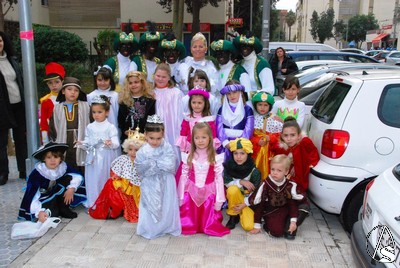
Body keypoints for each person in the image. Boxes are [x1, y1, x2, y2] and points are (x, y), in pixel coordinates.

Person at [177, 123, 230, 236]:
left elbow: (219, 179)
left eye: (204, 137)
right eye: (197, 138)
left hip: (209, 192)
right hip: (191, 191)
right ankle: (191, 224)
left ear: (210, 138)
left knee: (208, 209)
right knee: (189, 207)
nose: (200, 141)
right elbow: (183, 176)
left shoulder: (215, 157)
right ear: (193, 139)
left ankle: (207, 224)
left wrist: (219, 200)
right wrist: (180, 197)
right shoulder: (189, 155)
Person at [134, 115, 181, 239]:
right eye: (151, 138)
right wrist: (156, 164)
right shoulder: (143, 151)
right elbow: (140, 168)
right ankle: (150, 228)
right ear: (145, 135)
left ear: (163, 134)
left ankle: (167, 225)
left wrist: (153, 163)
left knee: (166, 203)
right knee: (149, 204)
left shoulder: (167, 147)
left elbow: (171, 164)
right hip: (150, 182)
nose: (155, 142)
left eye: (158, 138)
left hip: (166, 180)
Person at [269, 117, 320, 227]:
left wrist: (309, 164)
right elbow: (274, 153)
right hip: (286, 178)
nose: (289, 139)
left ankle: (303, 207)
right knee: (284, 195)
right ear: (282, 136)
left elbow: (313, 152)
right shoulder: (281, 147)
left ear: (299, 135)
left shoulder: (304, 142)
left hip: (298, 177)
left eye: (292, 135)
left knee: (298, 192)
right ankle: (289, 215)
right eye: (286, 136)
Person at [18, 142, 86, 222]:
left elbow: (77, 176)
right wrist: (38, 212)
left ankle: (63, 208)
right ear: (44, 159)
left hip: (58, 193)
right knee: (52, 212)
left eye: (56, 157)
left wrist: (71, 188)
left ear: (60, 158)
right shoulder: (37, 173)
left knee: (68, 178)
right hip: (44, 197)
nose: (52, 160)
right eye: (49, 157)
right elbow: (33, 194)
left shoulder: (63, 167)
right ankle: (50, 211)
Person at [88, 127, 145, 222]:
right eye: (130, 149)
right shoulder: (123, 159)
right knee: (111, 183)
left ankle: (131, 209)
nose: (133, 153)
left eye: (136, 150)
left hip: (137, 188)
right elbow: (116, 171)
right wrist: (116, 176)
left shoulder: (143, 161)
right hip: (124, 185)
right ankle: (114, 209)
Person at [247, 154, 305, 239]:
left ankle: (291, 224)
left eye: (279, 170)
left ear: (286, 172)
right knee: (277, 233)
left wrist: (293, 221)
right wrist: (257, 225)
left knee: (298, 210)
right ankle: (267, 226)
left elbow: (292, 204)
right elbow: (260, 205)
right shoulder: (266, 185)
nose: (274, 173)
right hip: (270, 211)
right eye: (272, 169)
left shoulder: (289, 185)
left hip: (284, 210)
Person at [78, 95, 120, 208]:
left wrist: (110, 143)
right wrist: (81, 143)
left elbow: (116, 142)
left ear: (107, 112)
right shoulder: (90, 127)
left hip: (106, 157)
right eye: (94, 112)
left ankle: (106, 203)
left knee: (104, 178)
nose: (96, 115)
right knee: (92, 179)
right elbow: (88, 141)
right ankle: (93, 203)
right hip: (92, 157)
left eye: (99, 112)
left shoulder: (110, 127)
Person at [0, 31, 28, 185]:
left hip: (18, 105)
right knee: (1, 141)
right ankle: (3, 173)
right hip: (2, 108)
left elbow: (20, 81)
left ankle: (24, 169)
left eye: (0, 41)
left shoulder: (12, 60)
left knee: (21, 138)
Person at [49, 77, 90, 174]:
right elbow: (53, 128)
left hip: (81, 141)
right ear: (63, 91)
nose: (73, 92)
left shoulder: (86, 106)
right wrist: (56, 144)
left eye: (76, 90)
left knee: (81, 167)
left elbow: (91, 124)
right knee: (66, 167)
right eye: (69, 89)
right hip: (64, 142)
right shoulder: (57, 108)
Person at [223, 138, 261, 231]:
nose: (238, 157)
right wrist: (241, 181)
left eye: (242, 153)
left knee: (249, 226)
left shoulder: (254, 171)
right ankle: (233, 216)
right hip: (235, 198)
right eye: (235, 153)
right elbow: (227, 183)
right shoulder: (229, 166)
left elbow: (256, 193)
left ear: (248, 154)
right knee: (232, 189)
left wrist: (244, 204)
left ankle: (240, 212)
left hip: (247, 203)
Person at [153, 63, 184, 167]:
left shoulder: (176, 93)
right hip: (155, 128)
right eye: (158, 76)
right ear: (154, 75)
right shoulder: (150, 92)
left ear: (169, 78)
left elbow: (180, 114)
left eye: (164, 77)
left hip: (172, 129)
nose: (160, 79)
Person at [216, 81, 254, 160]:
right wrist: (225, 142)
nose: (232, 96)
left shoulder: (247, 110)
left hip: (241, 147)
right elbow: (219, 127)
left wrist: (239, 144)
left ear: (240, 92)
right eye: (228, 93)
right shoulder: (222, 109)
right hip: (225, 145)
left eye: (234, 92)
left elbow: (249, 129)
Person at [176, 87, 220, 154]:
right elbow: (183, 134)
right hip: (191, 149)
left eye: (199, 103)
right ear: (190, 103)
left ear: (205, 104)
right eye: (194, 102)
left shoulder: (209, 120)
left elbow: (212, 136)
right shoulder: (187, 118)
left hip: (206, 150)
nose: (196, 105)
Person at [250, 91, 282, 179]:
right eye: (260, 105)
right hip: (256, 150)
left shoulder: (274, 118)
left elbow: (280, 135)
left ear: (270, 106)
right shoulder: (252, 119)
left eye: (265, 105)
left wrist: (270, 138)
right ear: (256, 106)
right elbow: (250, 135)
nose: (262, 108)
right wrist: (257, 141)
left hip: (270, 151)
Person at [118, 71, 156, 142]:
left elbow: (152, 120)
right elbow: (121, 120)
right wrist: (125, 131)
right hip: (128, 139)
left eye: (136, 82)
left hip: (145, 138)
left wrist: (147, 133)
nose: (133, 85)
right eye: (130, 83)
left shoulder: (150, 101)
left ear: (142, 83)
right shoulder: (124, 101)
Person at [40, 62, 65, 144]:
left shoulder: (69, 97)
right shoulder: (45, 101)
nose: (54, 85)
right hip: (52, 136)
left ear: (62, 81)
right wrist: (45, 141)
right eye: (50, 83)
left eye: (57, 82)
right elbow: (43, 123)